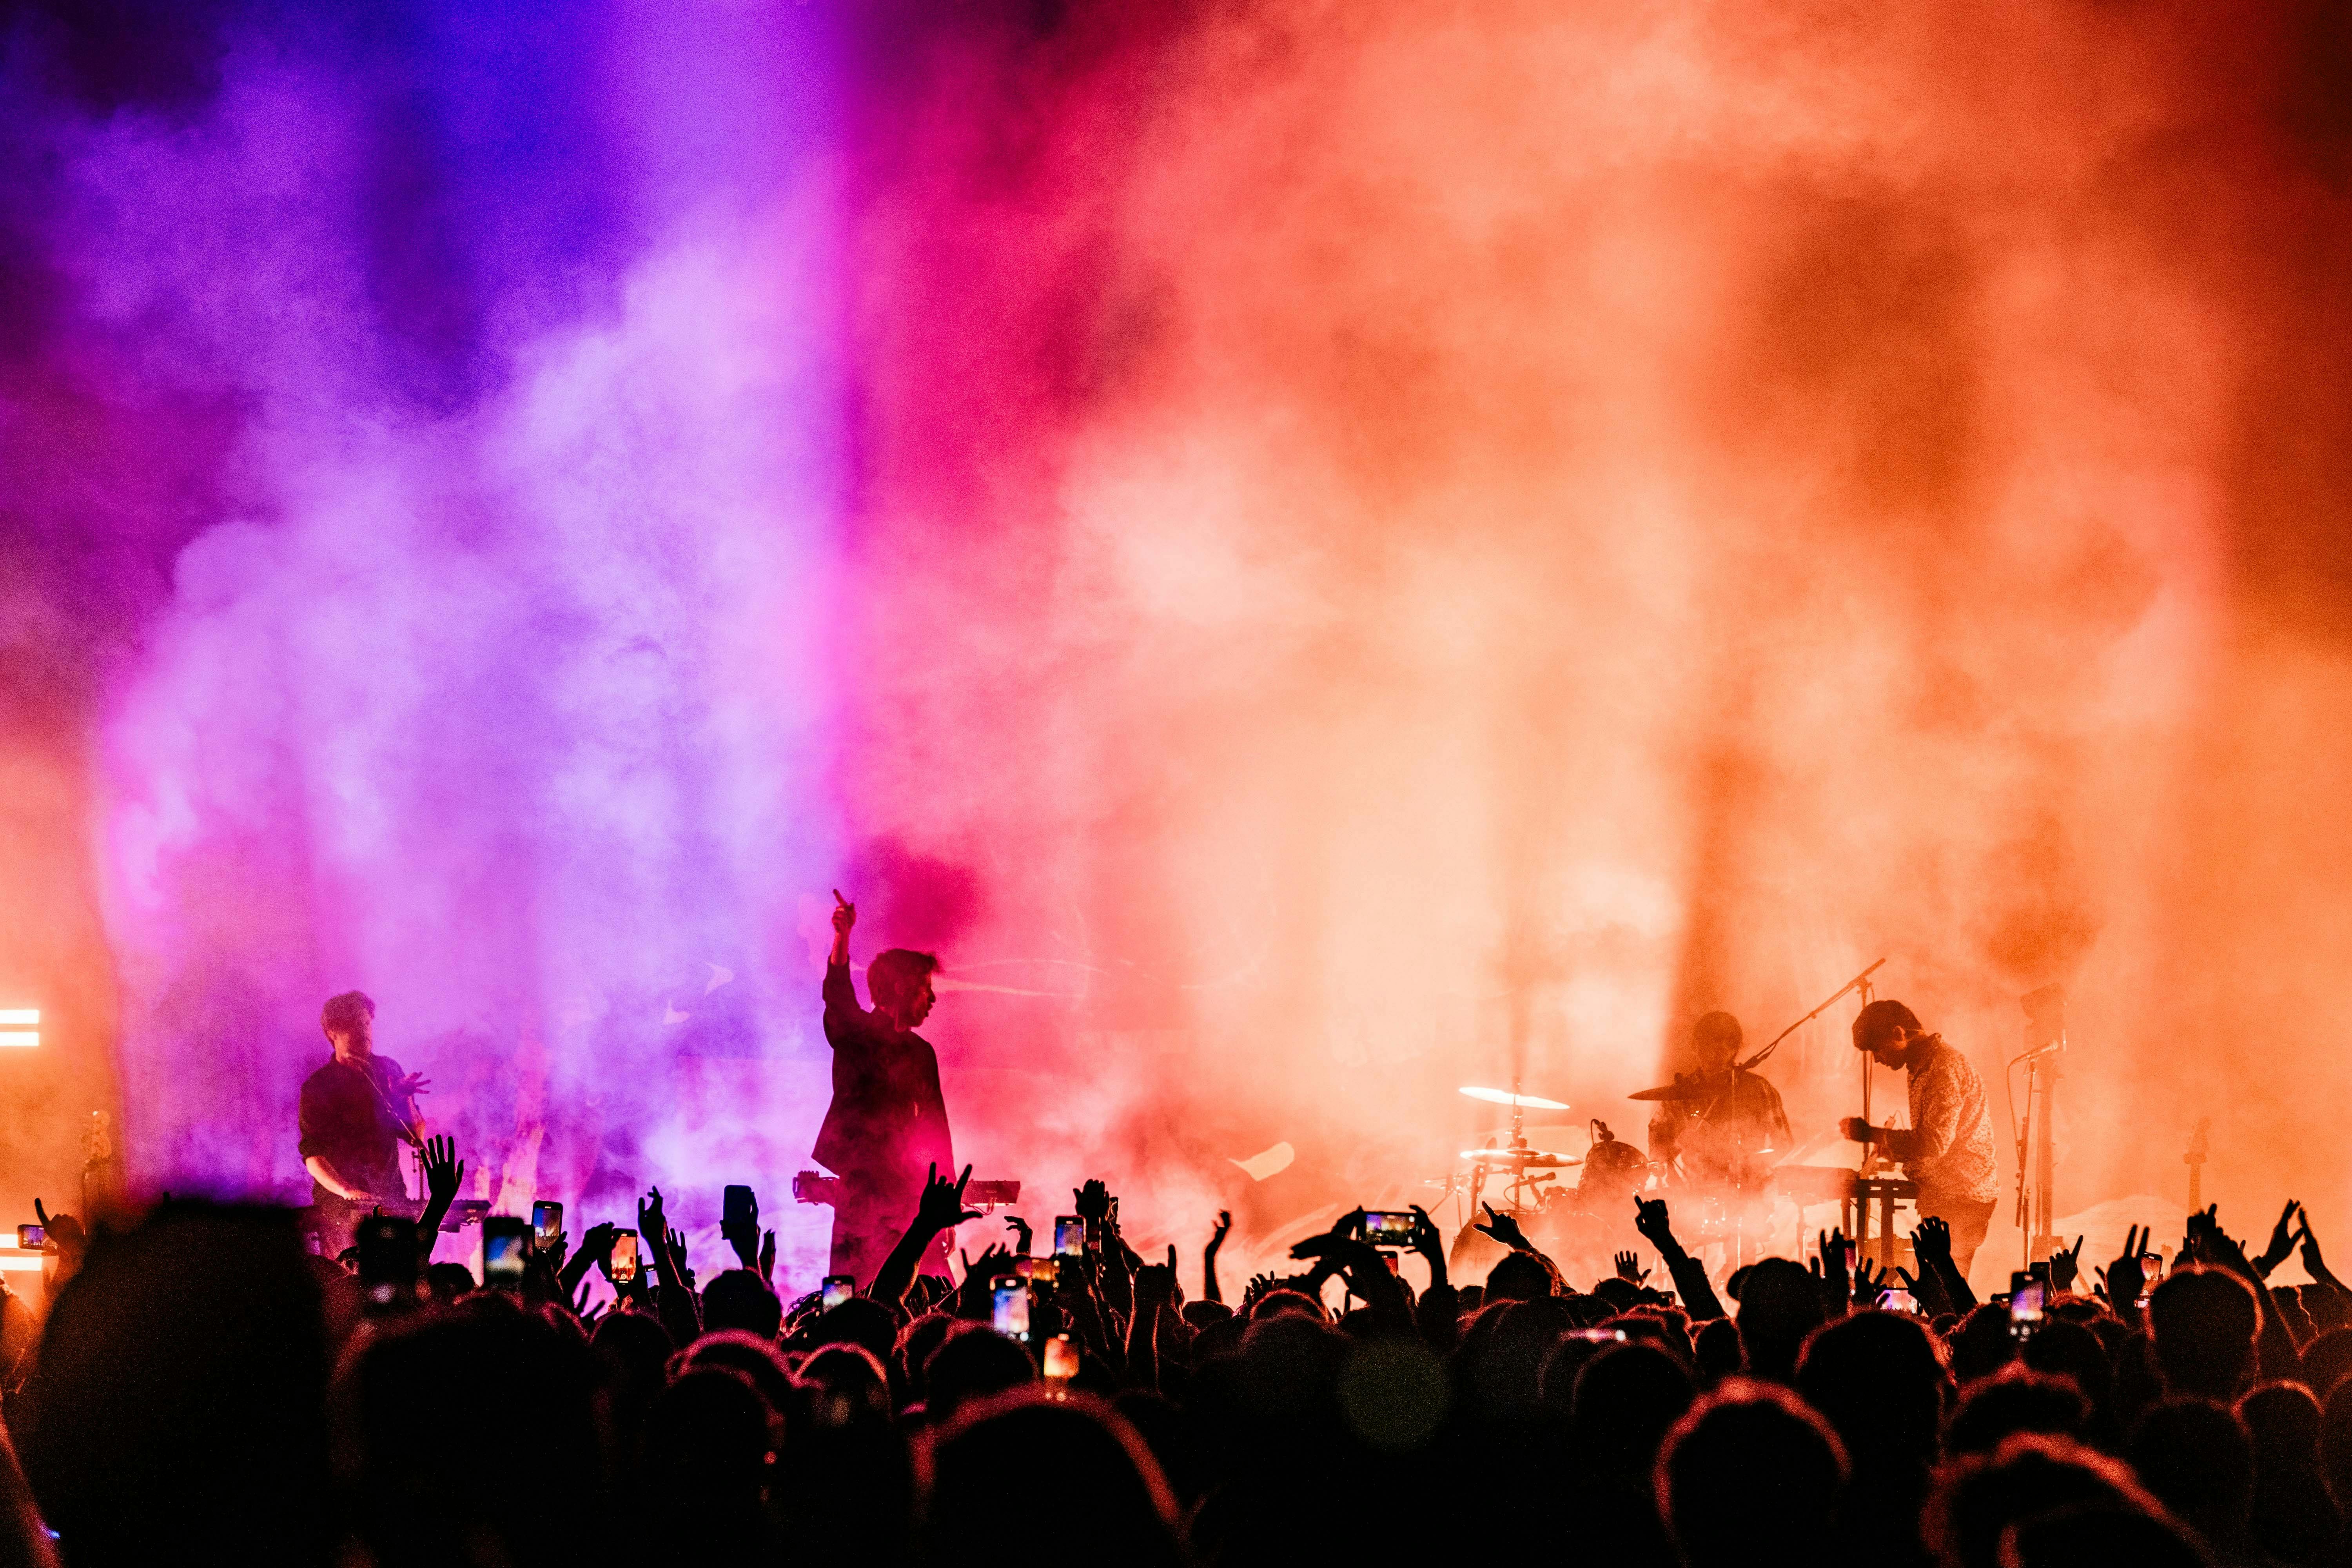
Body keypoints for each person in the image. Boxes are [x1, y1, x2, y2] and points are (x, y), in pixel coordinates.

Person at [815, 893, 955, 1283]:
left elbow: (935, 1131)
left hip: (911, 1196)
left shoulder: (920, 1054)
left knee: (930, 1293)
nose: (932, 999)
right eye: (925, 987)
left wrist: (942, 1212)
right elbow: (839, 998)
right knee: (853, 1289)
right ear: (901, 988)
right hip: (862, 1193)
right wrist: (843, 937)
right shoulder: (857, 1035)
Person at [1840, 998, 1998, 1276]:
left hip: (1960, 1197)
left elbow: (1934, 1143)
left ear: (1899, 1034)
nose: (1877, 1058)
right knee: (1933, 1291)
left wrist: (1871, 1133)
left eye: (1876, 1049)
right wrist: (1889, 1150)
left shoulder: (1941, 1068)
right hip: (1949, 1195)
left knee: (1941, 1296)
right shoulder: (1923, 1065)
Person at [298, 991, 428, 1258]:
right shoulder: (318, 1087)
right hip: (341, 1209)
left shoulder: (388, 1071)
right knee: (349, 1284)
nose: (365, 1031)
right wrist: (347, 1191)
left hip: (391, 1199)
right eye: (355, 1025)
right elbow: (313, 1156)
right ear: (333, 1032)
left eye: (367, 1023)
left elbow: (416, 1136)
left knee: (397, 1280)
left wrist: (407, 1099)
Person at [1647, 1011, 1793, 1193]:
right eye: (1705, 1047)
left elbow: (1784, 1144)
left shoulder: (1758, 1089)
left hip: (1749, 1191)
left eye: (1719, 1049)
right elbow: (1658, 1136)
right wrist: (1671, 1148)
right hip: (1694, 1192)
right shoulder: (1679, 1094)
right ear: (1695, 1046)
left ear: (1734, 1050)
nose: (1711, 1055)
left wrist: (1748, 1162)